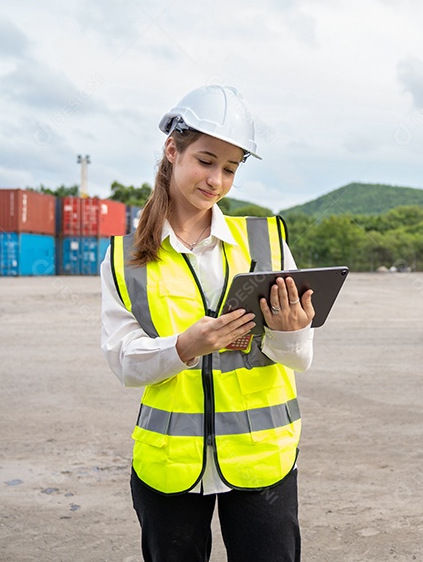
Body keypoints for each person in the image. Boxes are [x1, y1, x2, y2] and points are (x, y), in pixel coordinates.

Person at [100, 85, 316, 562]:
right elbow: (124, 364)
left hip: (261, 459)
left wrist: (291, 330)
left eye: (231, 168)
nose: (216, 179)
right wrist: (183, 346)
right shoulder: (126, 260)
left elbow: (300, 359)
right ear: (172, 150)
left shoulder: (265, 241)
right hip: (170, 464)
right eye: (206, 160)